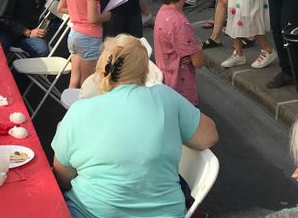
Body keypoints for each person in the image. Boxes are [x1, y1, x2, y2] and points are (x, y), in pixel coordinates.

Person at [51, 34, 218, 218]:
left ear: (102, 68)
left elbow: (62, 177)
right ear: (145, 71)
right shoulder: (164, 97)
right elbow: (209, 136)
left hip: (90, 212)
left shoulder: (79, 110)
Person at [154, 0, 205, 105]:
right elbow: (198, 61)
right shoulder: (180, 23)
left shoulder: (163, 11)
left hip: (167, 84)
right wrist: (198, 47)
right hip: (180, 91)